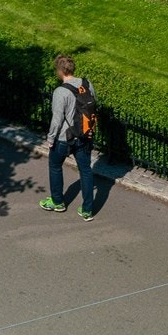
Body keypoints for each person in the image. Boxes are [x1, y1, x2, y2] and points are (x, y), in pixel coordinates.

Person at [40, 54, 97, 220]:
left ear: (60, 70)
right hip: (85, 135)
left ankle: (58, 202)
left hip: (65, 138)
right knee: (86, 171)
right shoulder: (87, 84)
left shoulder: (60, 92)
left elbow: (57, 120)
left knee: (55, 165)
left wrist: (50, 139)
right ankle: (87, 210)